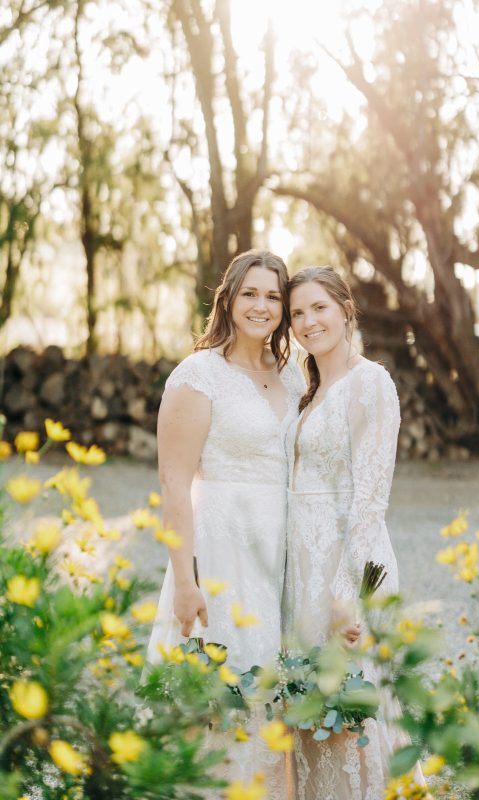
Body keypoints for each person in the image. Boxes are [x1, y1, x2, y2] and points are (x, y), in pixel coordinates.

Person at [147, 249, 305, 796]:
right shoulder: (199, 375)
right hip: (220, 556)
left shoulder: (292, 374)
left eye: (273, 297)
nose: (262, 306)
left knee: (275, 689)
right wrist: (185, 582)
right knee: (224, 690)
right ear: (229, 299)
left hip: (279, 553)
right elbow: (173, 484)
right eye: (251, 294)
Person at [284, 265, 403, 800]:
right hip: (304, 569)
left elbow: (371, 499)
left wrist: (345, 591)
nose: (308, 321)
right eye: (297, 313)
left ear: (346, 310)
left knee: (349, 712)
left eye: (319, 308)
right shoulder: (308, 390)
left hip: (347, 567)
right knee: (312, 710)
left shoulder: (370, 383)